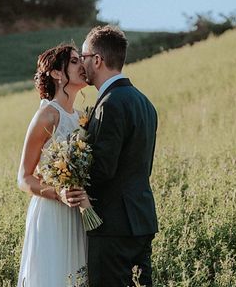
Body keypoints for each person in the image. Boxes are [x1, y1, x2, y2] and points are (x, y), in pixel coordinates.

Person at [80, 25, 159, 287]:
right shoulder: (145, 102)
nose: (82, 64)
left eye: (83, 58)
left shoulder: (110, 103)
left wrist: (71, 182)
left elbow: (103, 168)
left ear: (97, 60)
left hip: (113, 225)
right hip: (141, 220)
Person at [16, 43, 91, 287]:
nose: (82, 65)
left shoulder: (81, 118)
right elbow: (24, 178)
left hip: (76, 214)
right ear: (57, 74)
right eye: (74, 61)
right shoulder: (48, 115)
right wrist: (59, 193)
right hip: (52, 212)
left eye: (81, 59)